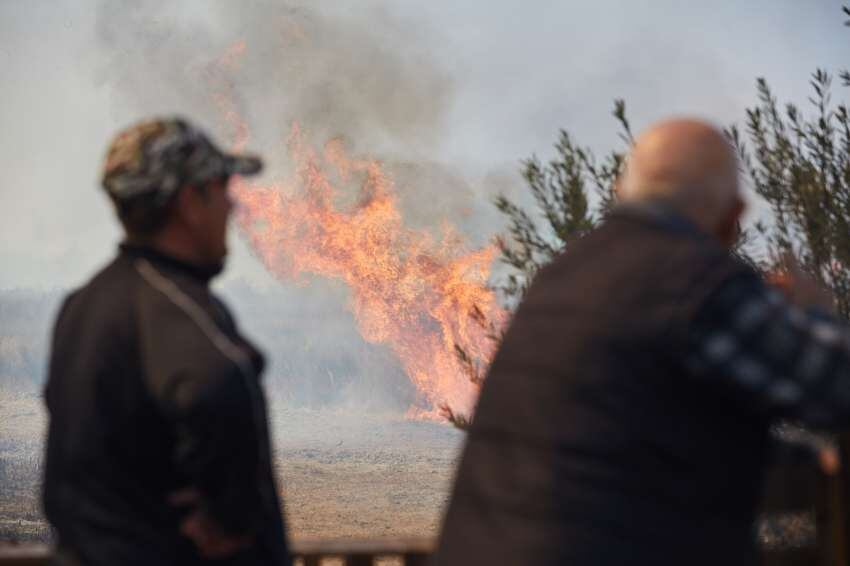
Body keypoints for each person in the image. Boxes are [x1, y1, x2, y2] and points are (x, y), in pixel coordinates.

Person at [433, 118, 846, 565]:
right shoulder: (694, 283)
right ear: (731, 218)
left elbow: (627, 435)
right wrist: (812, 310)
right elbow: (835, 384)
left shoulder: (562, 275)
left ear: (620, 191)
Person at [43, 118, 291, 566]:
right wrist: (232, 523)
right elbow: (220, 382)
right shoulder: (176, 308)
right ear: (189, 202)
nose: (230, 207)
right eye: (220, 188)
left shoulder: (83, 304)